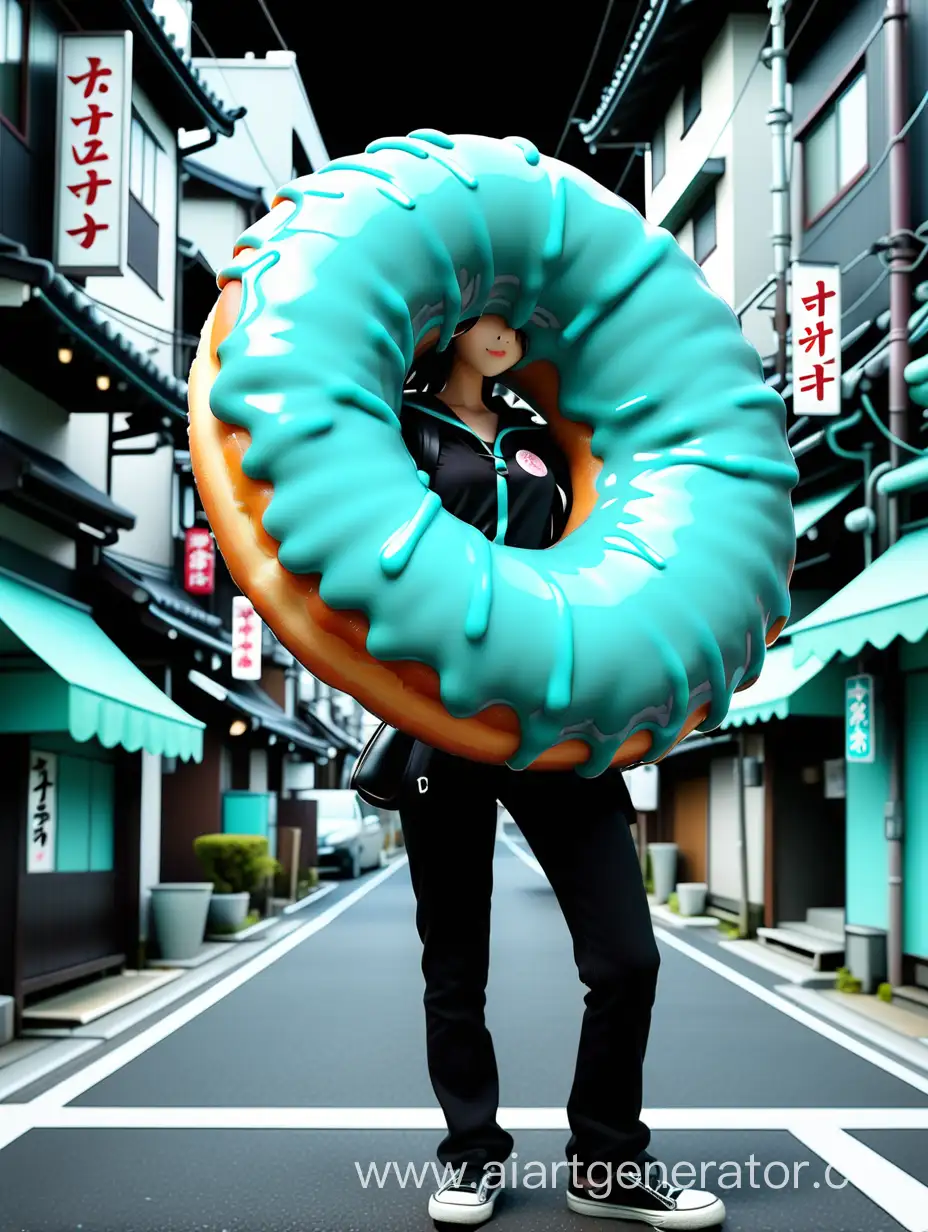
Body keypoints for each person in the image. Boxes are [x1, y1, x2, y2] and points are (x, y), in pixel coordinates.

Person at [393, 313, 726, 1229]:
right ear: (446, 324)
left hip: (553, 716)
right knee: (455, 965)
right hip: (444, 720)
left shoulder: (547, 438)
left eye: (513, 320)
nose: (500, 333)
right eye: (482, 318)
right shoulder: (403, 428)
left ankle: (607, 1161)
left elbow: (606, 550)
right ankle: (471, 1155)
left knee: (627, 956)